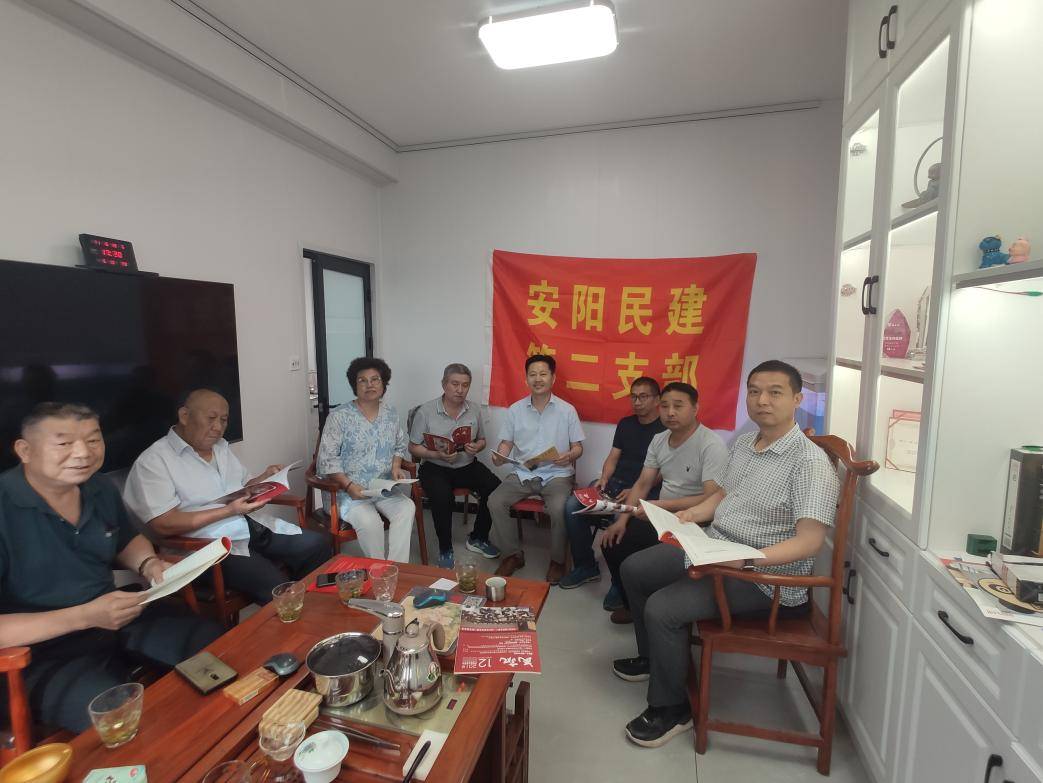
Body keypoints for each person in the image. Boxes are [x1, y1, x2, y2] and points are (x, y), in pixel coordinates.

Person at [614, 360, 840, 748]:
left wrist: (745, 560)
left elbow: (809, 542)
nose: (762, 401)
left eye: (775, 392)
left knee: (663, 608)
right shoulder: (747, 444)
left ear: (797, 399)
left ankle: (672, 709)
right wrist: (691, 515)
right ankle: (655, 659)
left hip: (764, 578)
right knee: (635, 569)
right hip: (716, 544)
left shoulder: (809, 463)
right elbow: (722, 494)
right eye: (754, 391)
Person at [0, 403, 223, 733]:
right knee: (122, 716)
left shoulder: (99, 488)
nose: (83, 453)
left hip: (115, 616)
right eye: (64, 443)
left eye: (93, 440)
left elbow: (125, 540)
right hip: (39, 651)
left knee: (213, 647)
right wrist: (85, 616)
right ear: (25, 450)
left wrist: (148, 563)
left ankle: (221, 733)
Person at [124, 389, 329, 606]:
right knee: (275, 586)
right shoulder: (154, 461)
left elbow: (242, 488)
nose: (218, 427)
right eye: (211, 418)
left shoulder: (221, 448)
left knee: (316, 545)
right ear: (184, 416)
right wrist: (228, 511)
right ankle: (293, 618)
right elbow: (163, 524)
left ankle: (314, 609)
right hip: (207, 548)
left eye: (223, 420)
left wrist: (265, 479)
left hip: (247, 527)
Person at [600, 382, 727, 623]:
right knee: (612, 542)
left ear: (695, 408)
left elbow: (712, 497)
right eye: (665, 406)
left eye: (678, 406)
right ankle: (632, 604)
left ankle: (655, 606)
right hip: (662, 515)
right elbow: (643, 483)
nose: (670, 412)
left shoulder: (711, 444)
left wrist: (663, 506)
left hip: (695, 522)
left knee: (643, 559)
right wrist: (622, 519)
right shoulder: (659, 439)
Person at [559, 376, 666, 599]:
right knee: (572, 506)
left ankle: (619, 582)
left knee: (619, 520)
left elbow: (664, 471)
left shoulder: (666, 429)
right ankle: (586, 566)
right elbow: (613, 457)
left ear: (657, 400)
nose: (637, 402)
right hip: (615, 486)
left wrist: (635, 490)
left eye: (643, 397)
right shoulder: (626, 424)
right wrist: (604, 478)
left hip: (645, 491)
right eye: (633, 397)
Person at [488, 355, 585, 584]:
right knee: (495, 501)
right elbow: (506, 443)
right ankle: (513, 555)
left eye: (543, 374)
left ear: (553, 378)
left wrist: (570, 455)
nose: (538, 379)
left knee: (559, 508)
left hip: (557, 474)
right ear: (526, 379)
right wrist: (500, 455)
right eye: (532, 374)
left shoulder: (567, 410)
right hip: (524, 472)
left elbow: (578, 447)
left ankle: (557, 561)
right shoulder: (515, 410)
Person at [316, 357, 416, 562]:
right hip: (346, 493)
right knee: (370, 522)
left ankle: (397, 568)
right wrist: (349, 485)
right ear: (355, 385)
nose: (369, 385)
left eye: (375, 379)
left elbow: (399, 444)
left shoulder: (390, 413)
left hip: (381, 488)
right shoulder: (338, 417)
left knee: (406, 508)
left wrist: (396, 466)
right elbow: (327, 460)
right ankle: (378, 571)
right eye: (362, 380)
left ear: (383, 383)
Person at [408, 363, 502, 569]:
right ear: (444, 384)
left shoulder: (474, 409)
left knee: (495, 488)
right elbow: (413, 447)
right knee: (443, 497)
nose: (460, 390)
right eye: (455, 384)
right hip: (434, 467)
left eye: (465, 385)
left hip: (466, 464)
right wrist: (436, 454)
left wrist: (476, 447)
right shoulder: (426, 411)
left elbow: (482, 440)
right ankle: (445, 548)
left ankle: (478, 537)